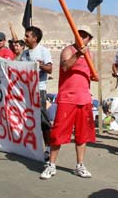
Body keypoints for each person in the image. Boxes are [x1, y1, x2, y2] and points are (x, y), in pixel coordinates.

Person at [40, 25, 94, 180]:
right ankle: (51, 165)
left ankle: (80, 165)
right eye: (80, 34)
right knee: (58, 133)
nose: (82, 38)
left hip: (84, 99)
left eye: (85, 36)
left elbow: (90, 73)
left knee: (82, 135)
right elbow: (65, 67)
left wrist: (93, 76)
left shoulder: (90, 54)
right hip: (67, 99)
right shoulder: (68, 50)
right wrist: (78, 54)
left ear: (89, 39)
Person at [21, 26, 53, 161]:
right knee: (28, 119)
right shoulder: (24, 54)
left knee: (43, 121)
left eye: (27, 36)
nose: (25, 38)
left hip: (39, 89)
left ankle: (49, 148)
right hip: (27, 90)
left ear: (35, 38)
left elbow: (50, 69)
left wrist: (39, 66)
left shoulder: (43, 51)